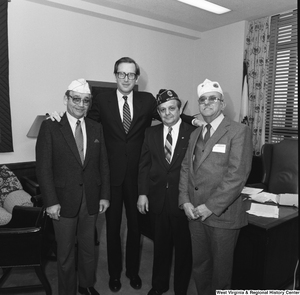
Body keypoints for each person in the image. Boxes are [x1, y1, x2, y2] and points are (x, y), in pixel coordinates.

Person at [50, 57, 202, 292]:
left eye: (131, 74)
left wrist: (192, 119)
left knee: (135, 228)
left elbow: (168, 112)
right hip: (110, 176)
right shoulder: (102, 100)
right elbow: (80, 119)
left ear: (136, 77)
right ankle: (114, 275)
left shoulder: (147, 100)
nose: (126, 78)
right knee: (112, 228)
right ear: (115, 75)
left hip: (138, 177)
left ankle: (132, 272)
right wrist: (60, 116)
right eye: (122, 74)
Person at [36, 79, 110, 295]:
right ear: (66, 99)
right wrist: (50, 201)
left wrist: (104, 195)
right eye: (76, 99)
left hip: (91, 199)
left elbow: (103, 164)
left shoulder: (97, 128)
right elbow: (43, 168)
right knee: (66, 253)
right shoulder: (50, 126)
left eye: (86, 100)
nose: (80, 104)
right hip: (62, 201)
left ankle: (86, 286)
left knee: (88, 249)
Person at [178, 79, 253, 295]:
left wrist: (209, 206)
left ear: (222, 104)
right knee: (200, 267)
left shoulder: (238, 131)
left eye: (213, 98)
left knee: (221, 274)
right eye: (203, 99)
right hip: (195, 214)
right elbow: (185, 169)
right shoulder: (194, 134)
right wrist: (184, 201)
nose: (207, 103)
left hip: (223, 216)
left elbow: (237, 176)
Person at [138, 89, 195, 295]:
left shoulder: (192, 133)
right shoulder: (150, 133)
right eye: (162, 110)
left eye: (172, 108)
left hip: (183, 201)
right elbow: (144, 165)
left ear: (180, 109)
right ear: (158, 113)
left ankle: (181, 289)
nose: (167, 113)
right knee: (160, 248)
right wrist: (142, 193)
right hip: (158, 200)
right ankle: (159, 286)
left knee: (183, 251)